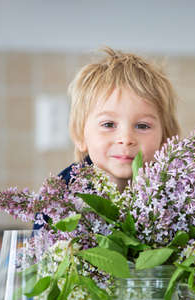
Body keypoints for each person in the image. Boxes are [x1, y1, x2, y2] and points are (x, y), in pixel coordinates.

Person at [34, 46, 180, 228]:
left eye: (142, 126)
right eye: (108, 125)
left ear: (165, 139)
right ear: (80, 135)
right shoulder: (59, 197)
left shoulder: (177, 196)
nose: (126, 138)